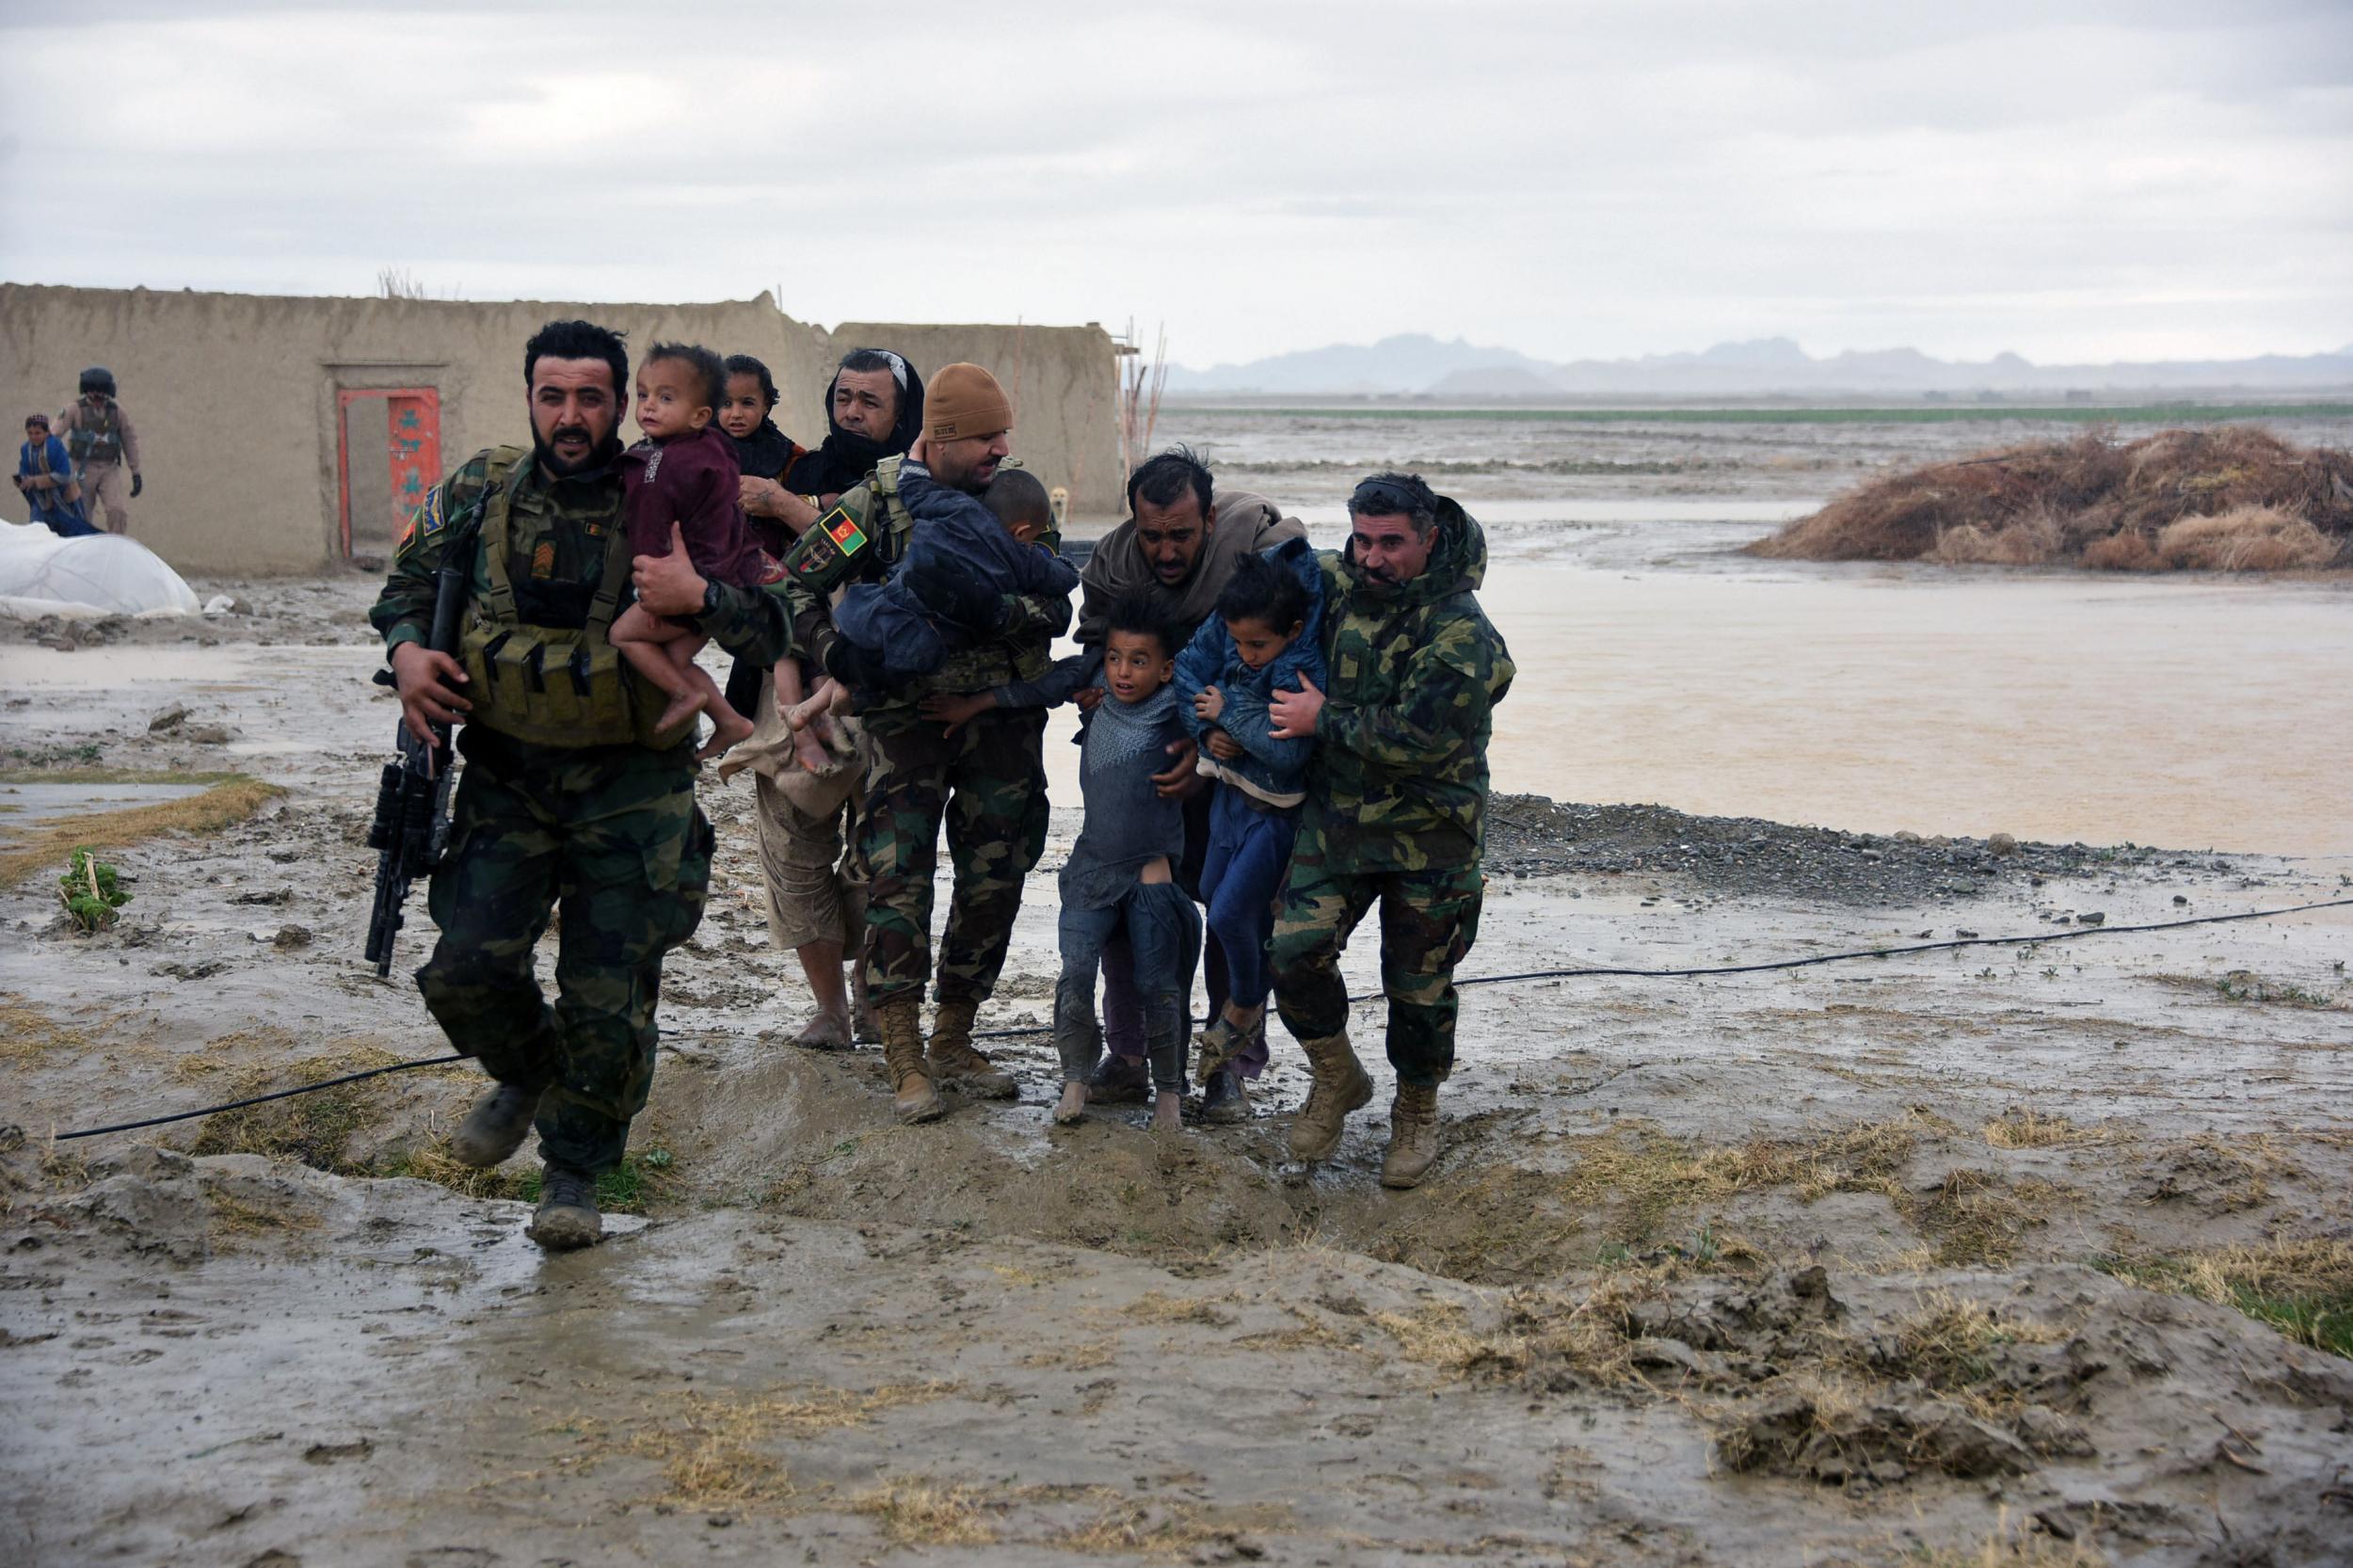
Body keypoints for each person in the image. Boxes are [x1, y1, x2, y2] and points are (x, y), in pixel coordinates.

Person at [369, 319, 790, 1249]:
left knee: (610, 990)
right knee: (465, 968)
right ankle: (525, 1070)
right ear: (529, 398)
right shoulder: (478, 489)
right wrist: (406, 654)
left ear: (622, 402)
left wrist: (704, 599)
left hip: (632, 785)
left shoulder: (679, 484)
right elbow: (404, 580)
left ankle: (574, 1174)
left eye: (591, 397)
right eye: (552, 396)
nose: (571, 416)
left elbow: (778, 613)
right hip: (507, 775)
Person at [781, 362, 1069, 1123]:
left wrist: (984, 613)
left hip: (1000, 724)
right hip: (904, 727)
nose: (1001, 448)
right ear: (939, 440)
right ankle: (902, 1050)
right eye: (985, 436)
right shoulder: (874, 502)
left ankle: (955, 1035)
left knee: (995, 875)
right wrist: (836, 651)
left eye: (1004, 433)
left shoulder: (1019, 500)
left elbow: (1054, 604)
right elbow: (792, 585)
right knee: (896, 880)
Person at [1265, 472, 1513, 1189]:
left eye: (1392, 544)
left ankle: (1416, 1107)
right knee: (1291, 949)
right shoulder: (1337, 582)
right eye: (1363, 539)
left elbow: (1420, 739)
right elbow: (1257, 585)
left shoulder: (1463, 630)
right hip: (1339, 824)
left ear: (1429, 539)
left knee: (1419, 987)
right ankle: (1337, 1077)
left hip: (1431, 834)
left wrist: (1323, 719)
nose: (1373, 558)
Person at [1074, 447, 1306, 1118]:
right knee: (1128, 910)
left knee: (1236, 914)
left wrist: (1208, 746)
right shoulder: (1113, 568)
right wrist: (1101, 693)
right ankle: (1130, 1054)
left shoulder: (1258, 554)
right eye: (1152, 535)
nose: (1166, 550)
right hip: (1143, 774)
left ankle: (1228, 1064)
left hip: (1236, 773)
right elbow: (1097, 655)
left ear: (1207, 517)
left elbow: (1284, 662)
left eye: (1181, 534)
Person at [731, 348, 925, 1049]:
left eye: (870, 401)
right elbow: (773, 570)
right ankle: (830, 1009)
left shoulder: (914, 487)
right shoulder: (802, 469)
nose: (852, 412)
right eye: (843, 397)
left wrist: (792, 509)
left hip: (881, 694)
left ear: (905, 414)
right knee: (791, 848)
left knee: (882, 859)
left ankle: (880, 1003)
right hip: (790, 674)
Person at [1170, 542, 1327, 1121]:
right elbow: (1188, 675)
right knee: (1213, 895)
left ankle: (1245, 1005)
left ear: (1290, 629)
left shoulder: (1299, 663)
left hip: (1275, 812)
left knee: (1236, 915)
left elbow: (1288, 755)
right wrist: (1208, 731)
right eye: (1237, 643)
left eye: (1256, 645)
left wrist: (1228, 711)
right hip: (1229, 796)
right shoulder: (1239, 624)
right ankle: (1245, 999)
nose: (1244, 654)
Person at [1050, 599, 1200, 1132]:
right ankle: (1076, 1077)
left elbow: (1232, 716)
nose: (1123, 671)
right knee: (1075, 973)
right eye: (1115, 658)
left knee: (1161, 984)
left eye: (1139, 661)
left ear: (1166, 668)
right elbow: (1040, 685)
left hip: (1150, 871)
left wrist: (1207, 750)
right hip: (1091, 868)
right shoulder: (1095, 698)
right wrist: (975, 705)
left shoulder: (1180, 708)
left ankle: (1169, 1092)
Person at [604, 342, 775, 760]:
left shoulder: (667, 464)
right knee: (677, 656)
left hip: (685, 587)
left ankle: (685, 697)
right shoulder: (709, 450)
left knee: (623, 635)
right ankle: (731, 720)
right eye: (644, 394)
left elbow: (654, 523)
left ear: (700, 415)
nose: (649, 407)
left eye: (666, 398)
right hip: (721, 580)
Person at [821, 449, 1078, 684]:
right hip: (917, 651)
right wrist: (1068, 569)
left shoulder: (959, 505)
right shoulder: (1018, 552)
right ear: (1021, 532)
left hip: (890, 606)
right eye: (984, 437)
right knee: (906, 655)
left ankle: (836, 694)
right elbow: (1055, 576)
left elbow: (914, 489)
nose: (999, 447)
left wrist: (915, 458)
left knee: (864, 646)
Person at [52, 367, 141, 536]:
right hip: (82, 468)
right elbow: (53, 435)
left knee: (117, 510)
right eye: (93, 394)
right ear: (87, 392)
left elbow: (130, 440)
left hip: (109, 468)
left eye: (101, 394)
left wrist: (135, 472)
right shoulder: (74, 409)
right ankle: (81, 549)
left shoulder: (117, 412)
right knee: (81, 513)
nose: (98, 398)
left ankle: (116, 546)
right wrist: (53, 465)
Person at [14, 414, 94, 536]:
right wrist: (22, 481)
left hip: (64, 499)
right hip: (42, 501)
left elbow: (65, 475)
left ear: (47, 433)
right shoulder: (26, 449)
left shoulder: (55, 446)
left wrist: (36, 481)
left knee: (74, 533)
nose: (33, 437)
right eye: (30, 433)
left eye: (37, 433)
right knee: (37, 531)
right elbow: (24, 470)